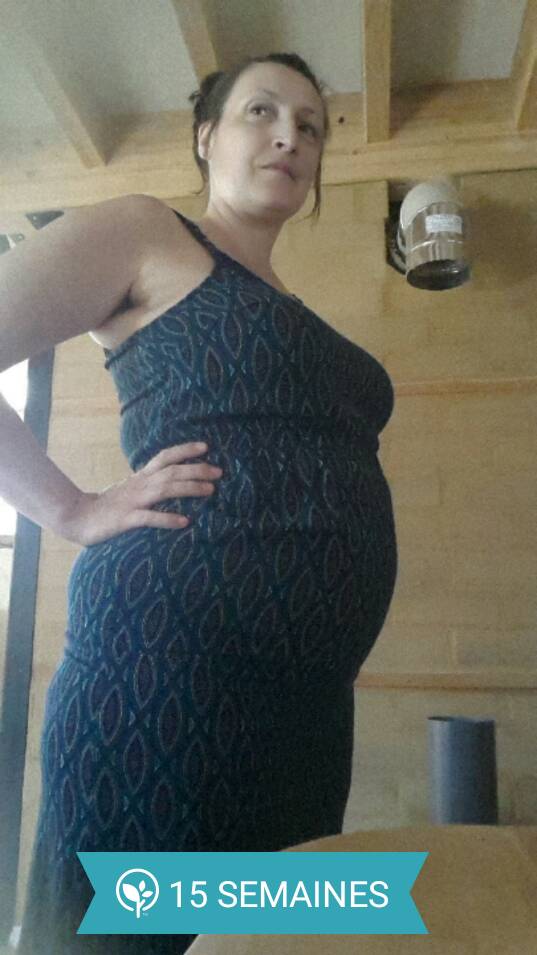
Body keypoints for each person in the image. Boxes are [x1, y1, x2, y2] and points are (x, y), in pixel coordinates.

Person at [1, 52, 397, 954]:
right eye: (263, 112)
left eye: (310, 125)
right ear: (205, 137)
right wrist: (72, 511)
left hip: (306, 705)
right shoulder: (149, 233)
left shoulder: (298, 311)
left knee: (267, 936)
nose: (290, 136)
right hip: (168, 674)